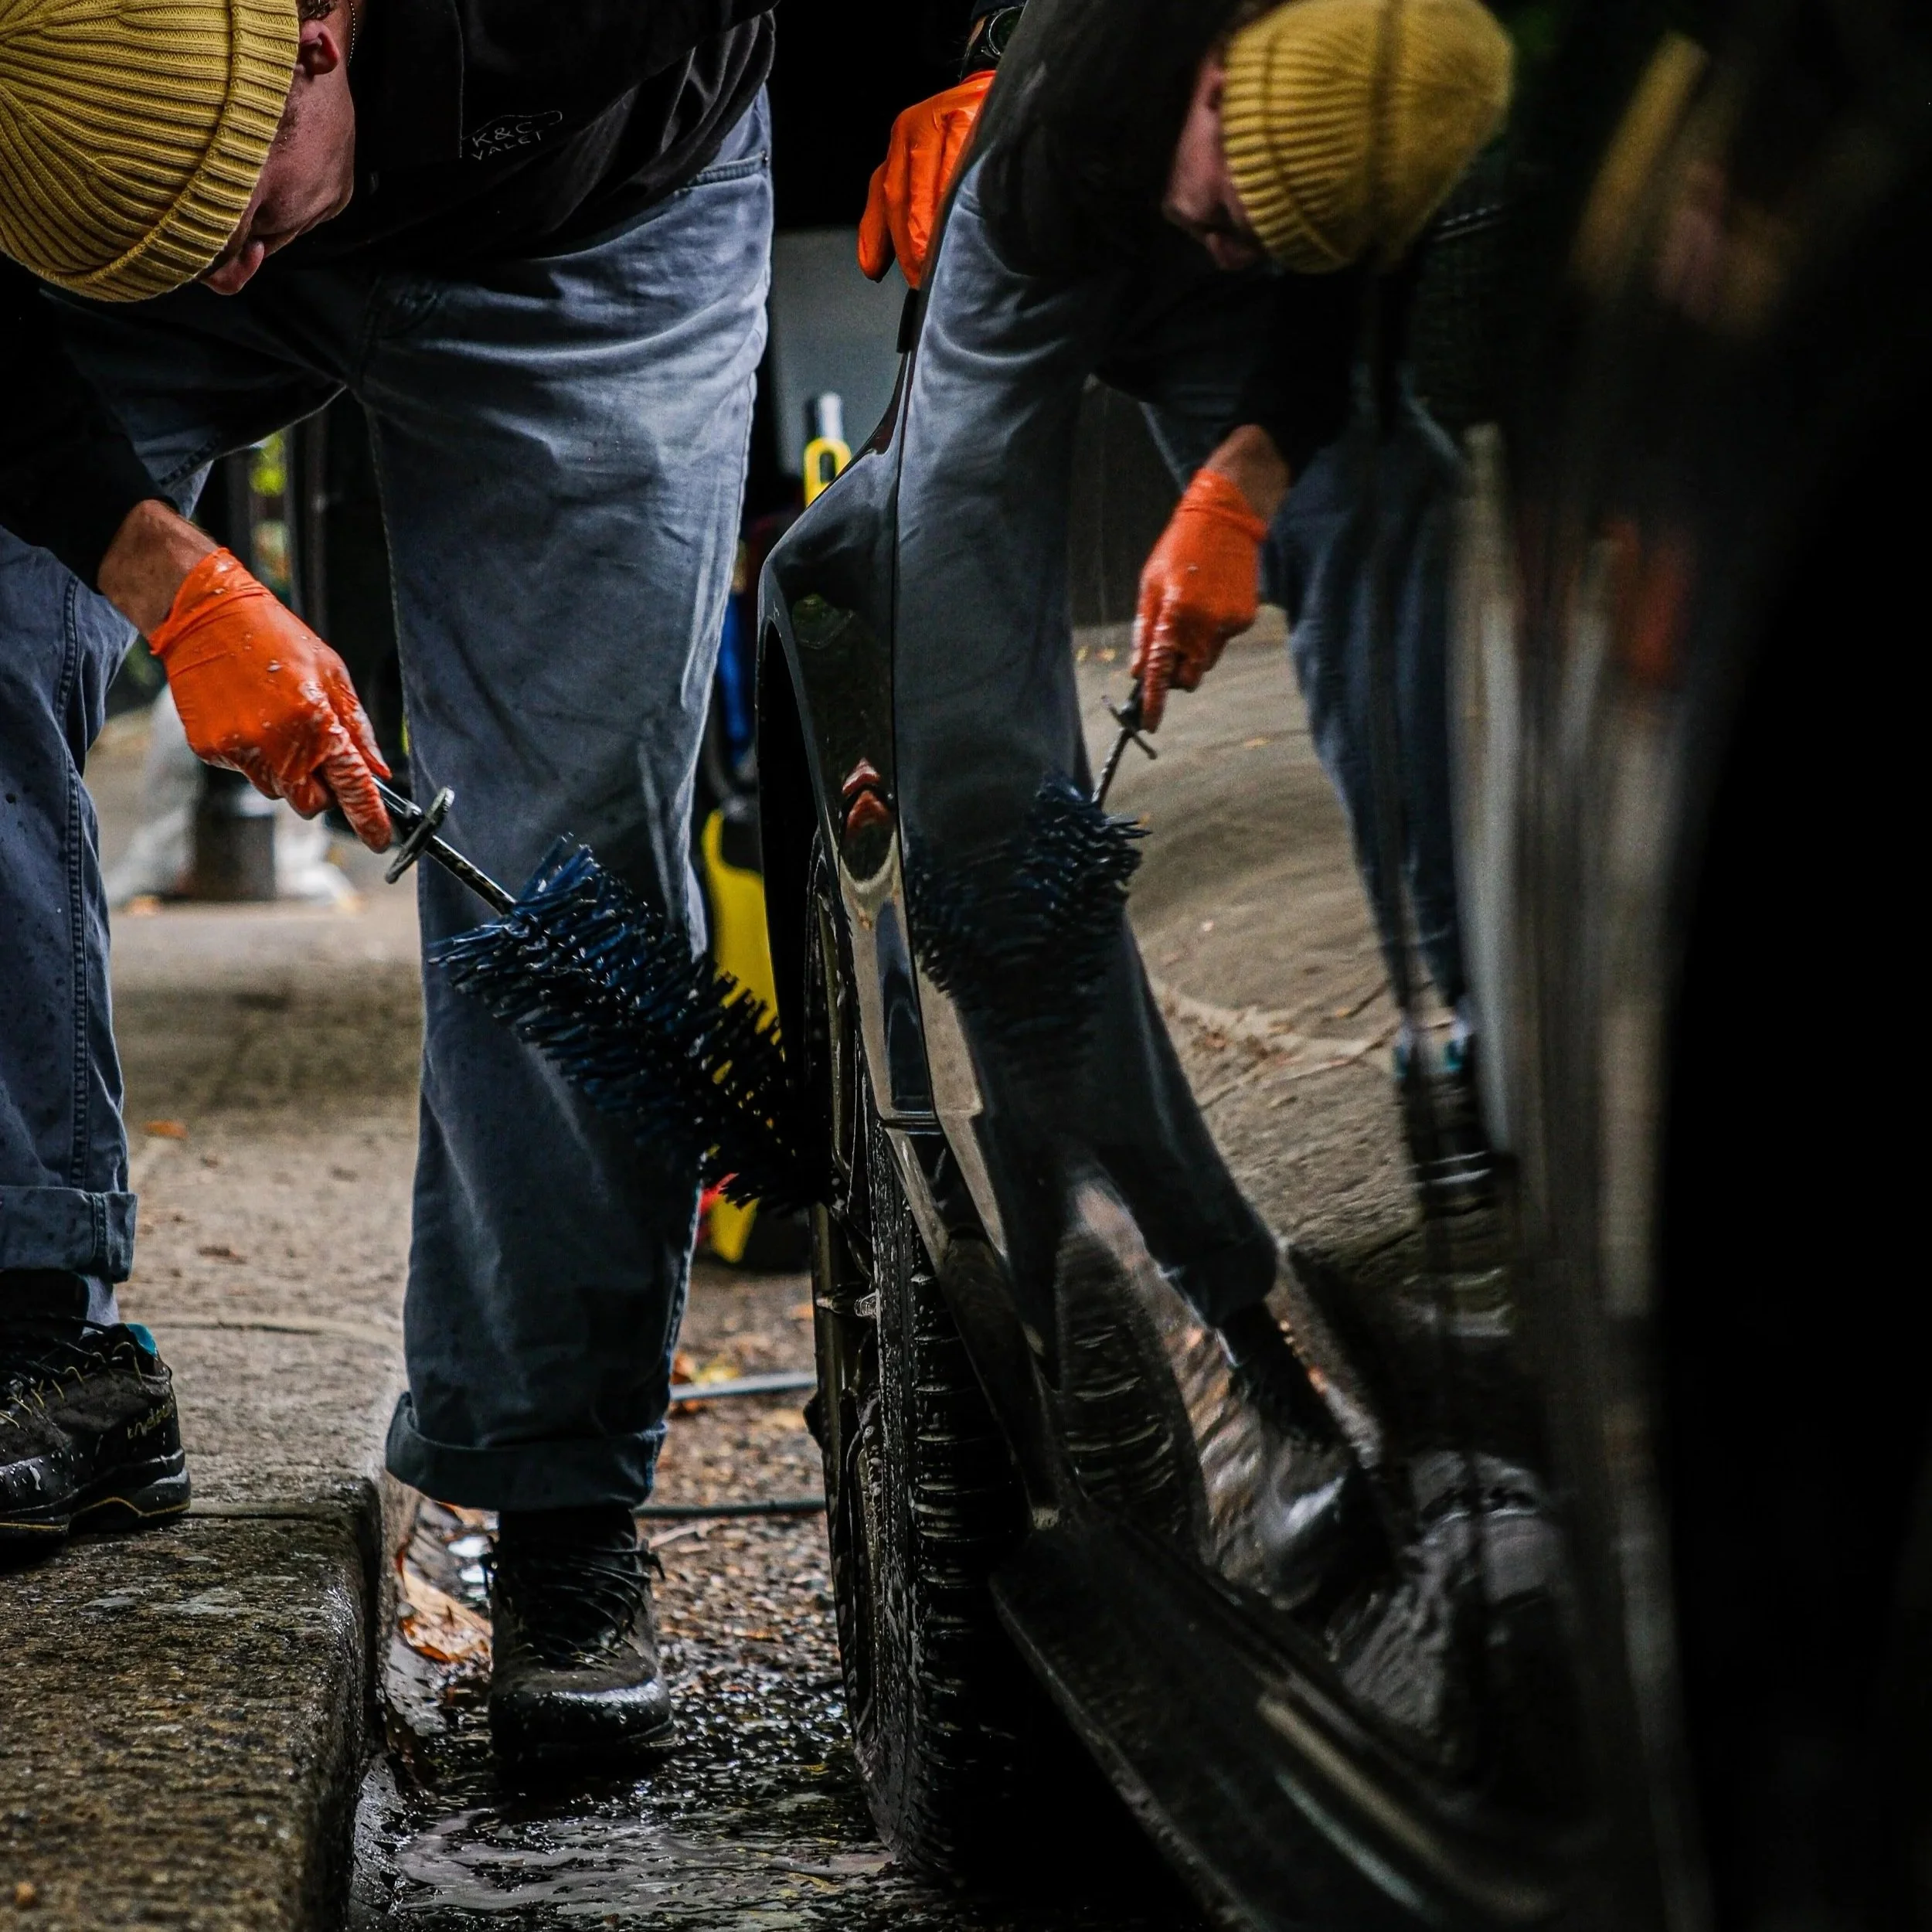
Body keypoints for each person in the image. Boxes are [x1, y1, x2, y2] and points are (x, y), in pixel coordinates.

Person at [0, 0, 774, 1764]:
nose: (235, 281)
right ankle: (36, 1327)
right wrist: (165, 575)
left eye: (251, 228)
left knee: (562, 805)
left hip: (592, 214)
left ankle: (559, 1501)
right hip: (150, 190)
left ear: (321, 41)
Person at [853, 0, 1509, 1571]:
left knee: (1388, 509)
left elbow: (1343, 301)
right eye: (1223, 211)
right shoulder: (1093, 105)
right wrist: (925, 704)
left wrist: (1252, 466)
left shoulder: (1428, 103)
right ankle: (1170, 1304)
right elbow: (976, 497)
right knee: (977, 768)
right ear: (1213, 79)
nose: (1217, 250)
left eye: (1252, 236)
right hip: (1060, 201)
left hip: (1321, 236)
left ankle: (1469, 1052)